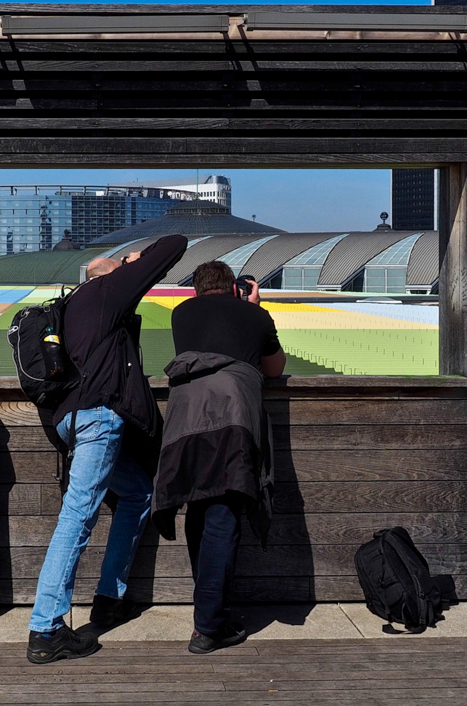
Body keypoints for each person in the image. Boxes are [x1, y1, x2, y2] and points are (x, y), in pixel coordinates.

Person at [26, 234, 188, 664]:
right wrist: (136, 258)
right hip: (98, 419)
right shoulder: (107, 292)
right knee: (77, 517)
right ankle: (45, 628)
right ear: (110, 275)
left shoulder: (71, 305)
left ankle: (108, 599)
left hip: (68, 419)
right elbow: (176, 242)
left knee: (136, 493)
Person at [153, 261, 285, 654]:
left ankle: (208, 612)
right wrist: (257, 307)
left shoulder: (181, 313)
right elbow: (275, 369)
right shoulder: (253, 314)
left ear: (195, 289)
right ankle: (209, 626)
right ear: (233, 287)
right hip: (231, 418)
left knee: (200, 510)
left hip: (183, 420)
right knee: (224, 515)